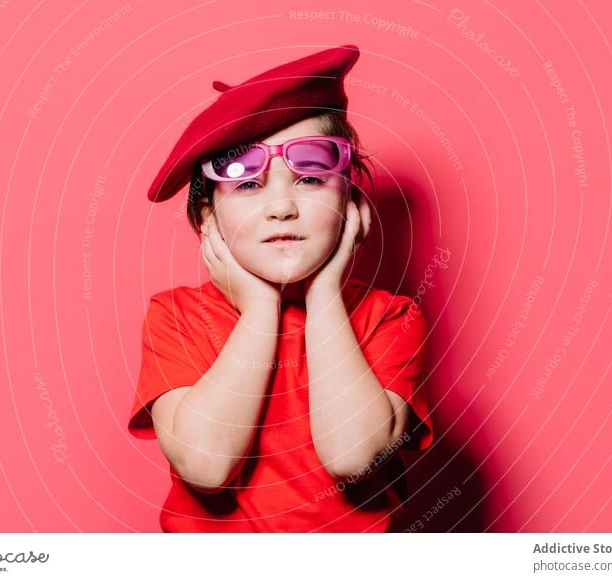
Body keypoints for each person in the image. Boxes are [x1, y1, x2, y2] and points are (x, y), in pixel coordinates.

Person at [128, 44, 434, 532]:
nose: (281, 208)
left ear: (351, 207)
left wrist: (325, 294)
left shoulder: (390, 318)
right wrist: (259, 308)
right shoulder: (177, 318)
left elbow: (353, 456)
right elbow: (206, 465)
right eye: (249, 185)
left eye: (310, 177)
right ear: (208, 219)